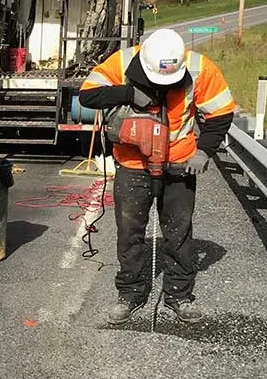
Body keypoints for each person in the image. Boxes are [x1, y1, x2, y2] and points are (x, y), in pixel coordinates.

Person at [79, 28, 236, 324]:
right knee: (130, 233)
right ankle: (131, 293)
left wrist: (203, 151)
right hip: (133, 164)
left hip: (179, 163)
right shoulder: (123, 61)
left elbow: (220, 114)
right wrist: (127, 92)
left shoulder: (200, 68)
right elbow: (87, 95)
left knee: (178, 232)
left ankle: (179, 294)